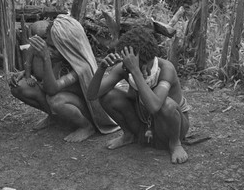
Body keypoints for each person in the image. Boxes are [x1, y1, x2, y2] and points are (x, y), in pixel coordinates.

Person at [10, 14, 118, 142]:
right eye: (48, 44)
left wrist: (45, 58)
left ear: (68, 47)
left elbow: (52, 89)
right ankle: (55, 117)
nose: (49, 50)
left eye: (54, 48)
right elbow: (41, 74)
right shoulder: (57, 58)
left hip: (83, 109)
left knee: (56, 100)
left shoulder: (80, 67)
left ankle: (86, 126)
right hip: (62, 100)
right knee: (19, 87)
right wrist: (24, 73)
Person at [87, 30, 190, 164]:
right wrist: (101, 68)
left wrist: (136, 71)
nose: (128, 67)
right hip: (144, 125)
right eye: (128, 64)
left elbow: (155, 106)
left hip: (171, 128)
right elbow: (92, 95)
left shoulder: (166, 69)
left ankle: (175, 144)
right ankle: (129, 135)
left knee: (167, 105)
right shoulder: (125, 68)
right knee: (109, 96)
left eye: (133, 64)